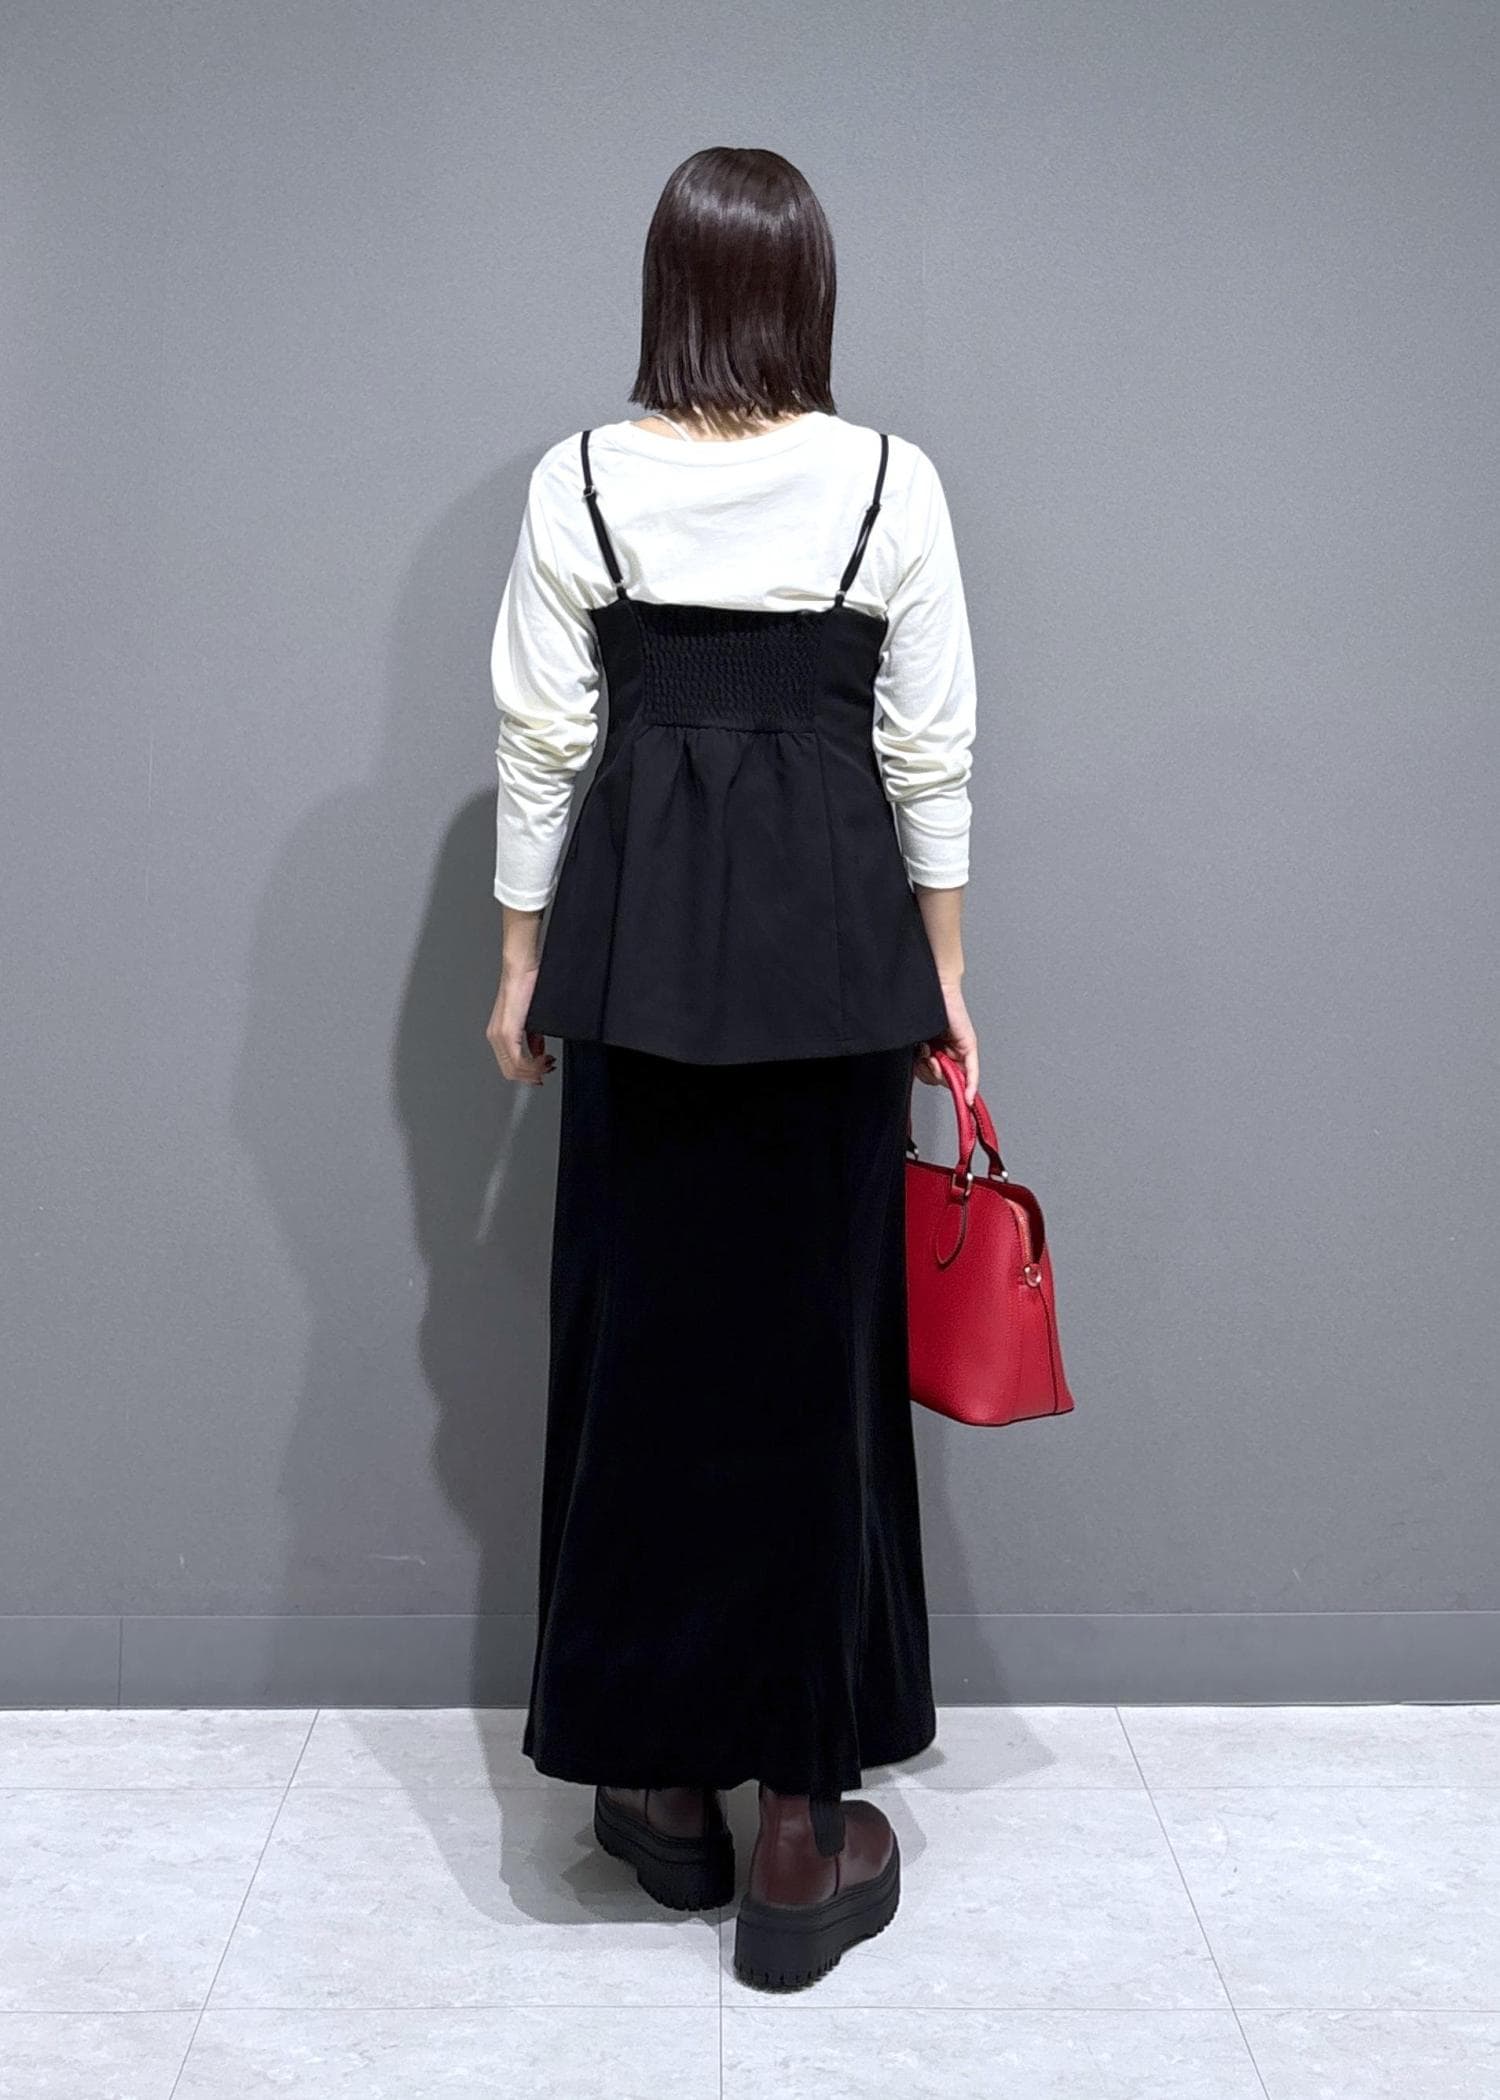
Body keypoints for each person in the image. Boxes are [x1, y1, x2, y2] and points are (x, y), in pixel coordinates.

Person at [485, 145, 978, 1992]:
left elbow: (543, 737)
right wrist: (948, 981)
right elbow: (930, 749)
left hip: (636, 952)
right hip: (835, 960)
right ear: (808, 291)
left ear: (669, 289)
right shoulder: (889, 481)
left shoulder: (582, 481)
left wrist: (520, 962)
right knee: (813, 1371)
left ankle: (665, 1788)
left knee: (643, 1359)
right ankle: (799, 1828)